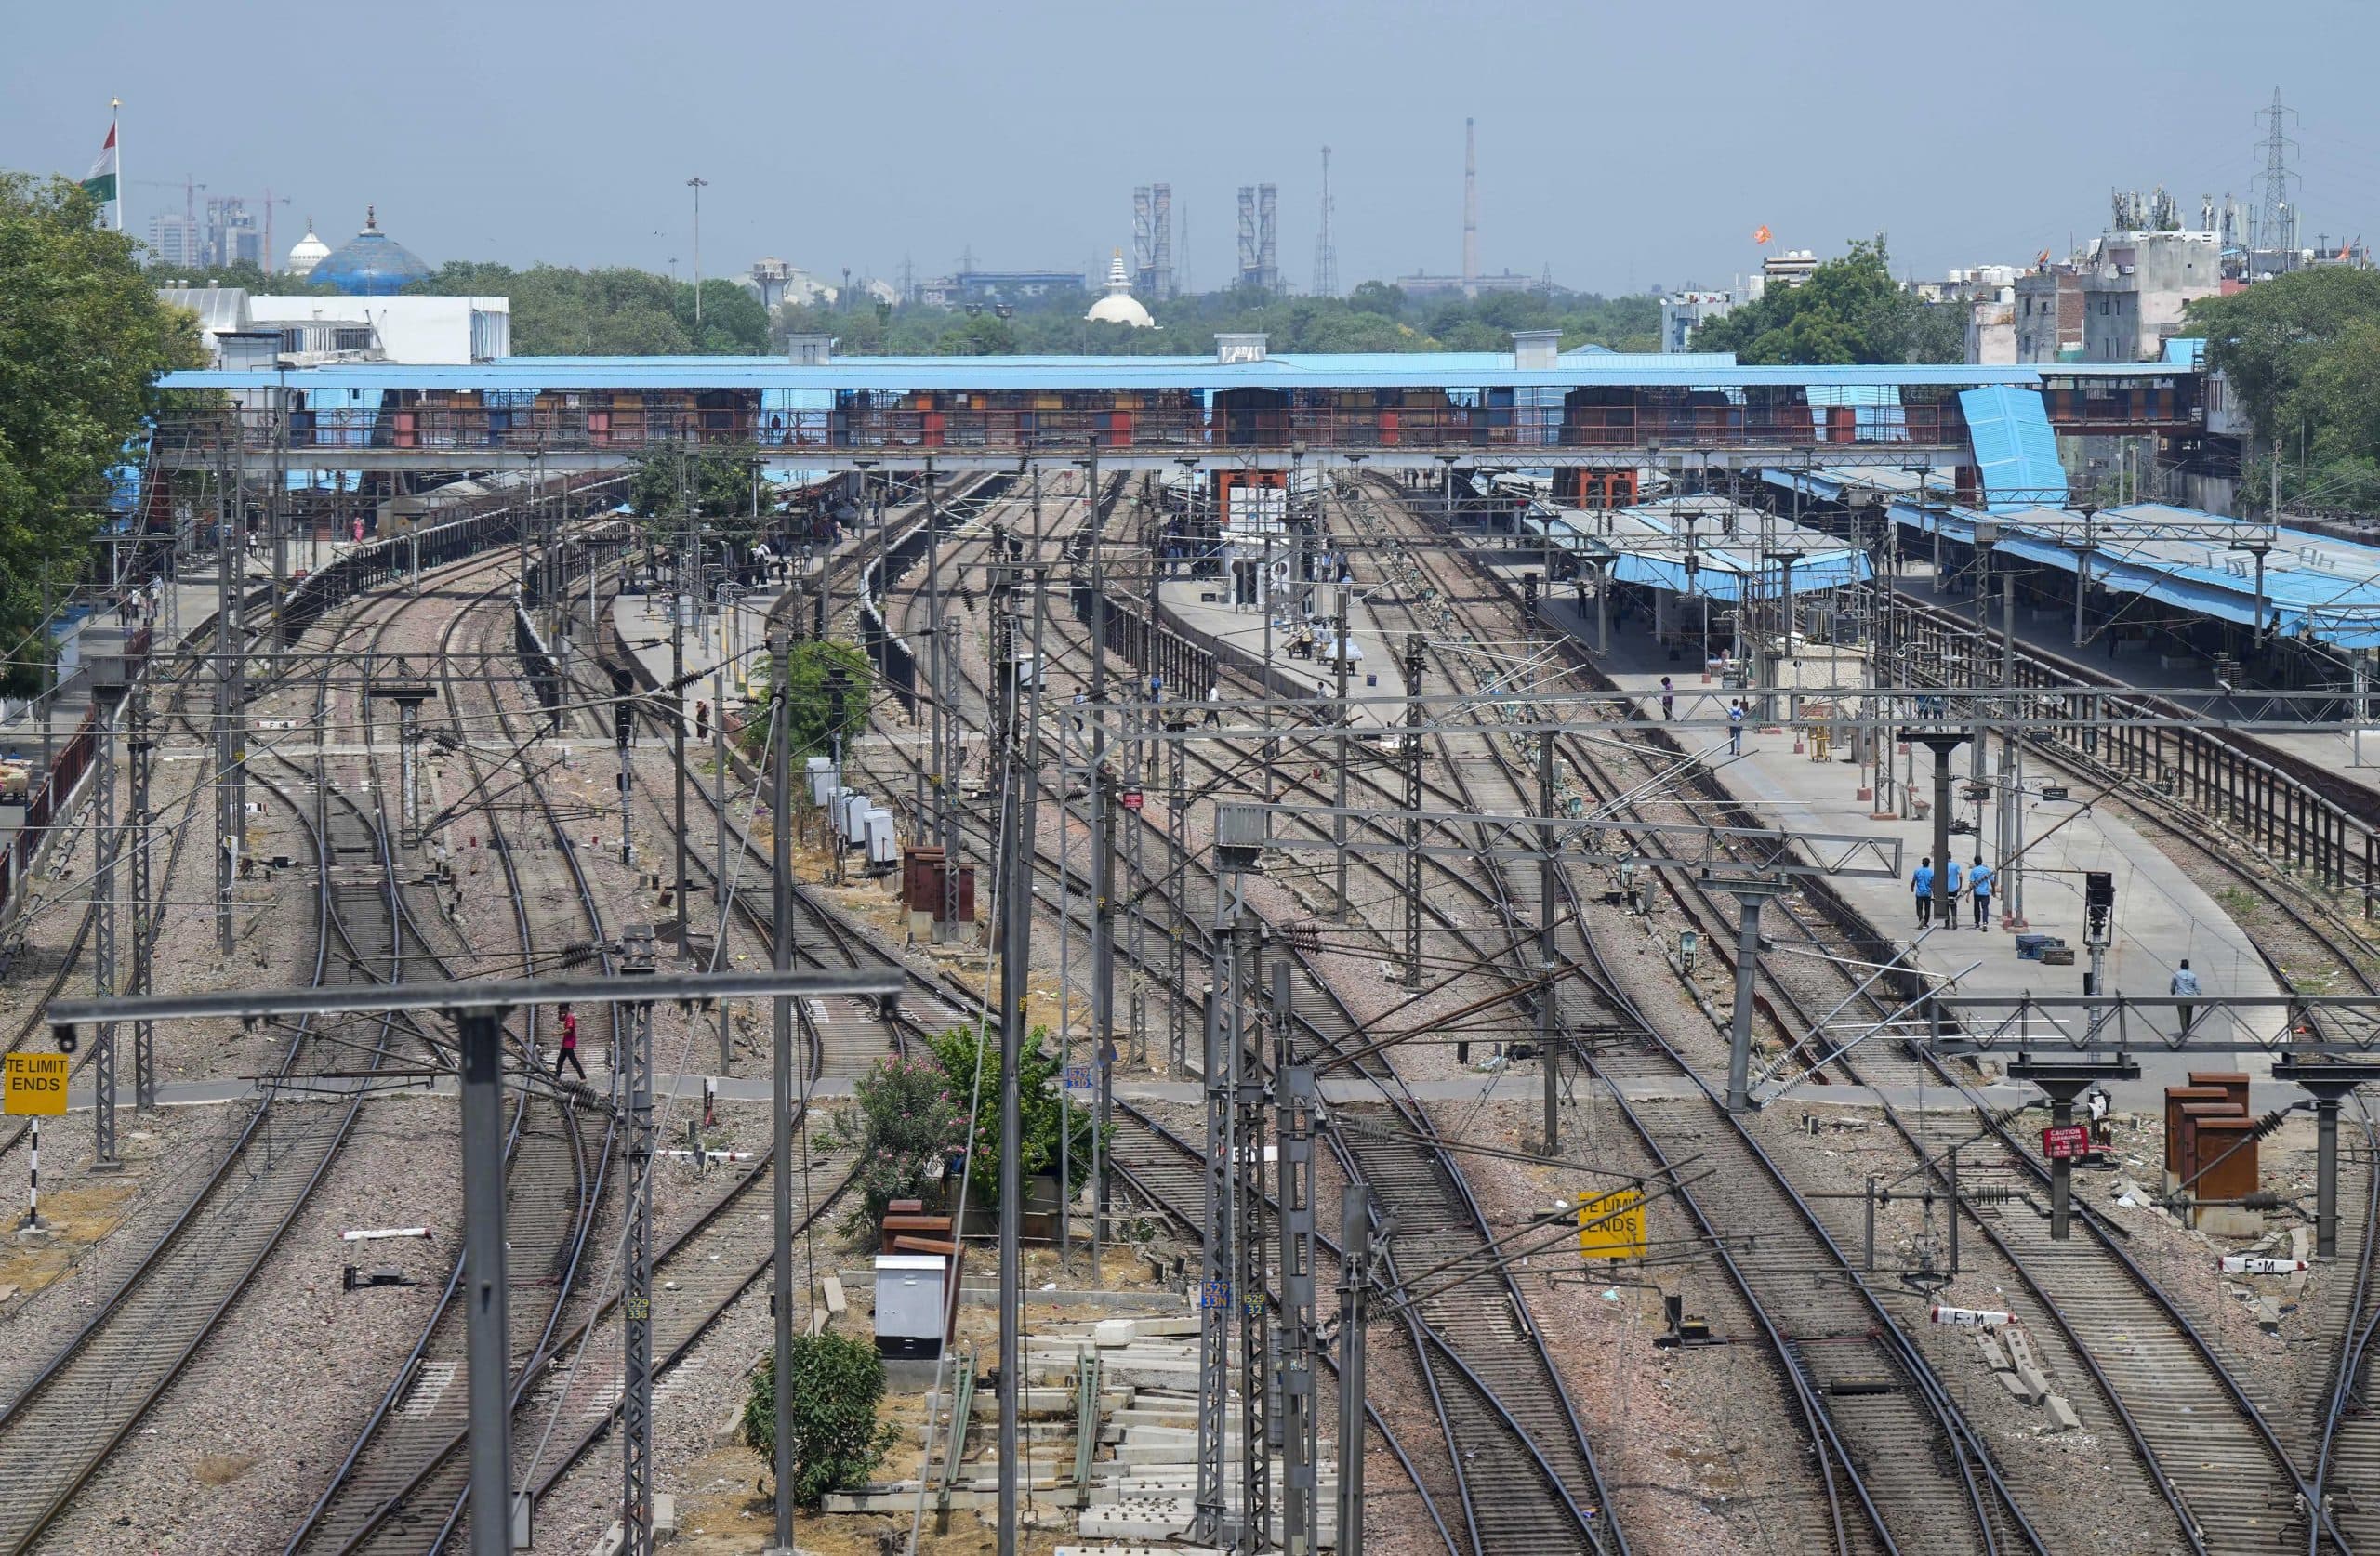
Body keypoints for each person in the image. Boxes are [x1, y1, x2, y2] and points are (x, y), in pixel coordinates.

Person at [2171, 958, 2202, 1037]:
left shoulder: (2176, 975)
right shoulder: (2193, 975)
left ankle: (2184, 1032)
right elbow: (2197, 988)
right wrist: (2201, 999)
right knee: (2189, 1015)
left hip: (2181, 999)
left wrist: (2173, 992)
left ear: (2181, 966)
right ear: (2188, 966)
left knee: (2182, 1017)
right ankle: (2187, 1030)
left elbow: (2172, 987)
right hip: (2191, 999)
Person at [553, 1004, 586, 1080]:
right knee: (560, 1061)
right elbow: (560, 1019)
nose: (560, 1011)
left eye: (561, 1009)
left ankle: (583, 1077)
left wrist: (557, 1034)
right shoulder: (567, 1017)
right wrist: (559, 1013)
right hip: (565, 1044)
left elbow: (569, 1030)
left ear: (565, 1009)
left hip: (569, 1043)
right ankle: (556, 1078)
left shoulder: (570, 1017)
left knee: (573, 1061)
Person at [1968, 855, 1994, 929]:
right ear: (1981, 861)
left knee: (1976, 908)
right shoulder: (1987, 870)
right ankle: (1985, 923)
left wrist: (1968, 895)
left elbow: (1971, 884)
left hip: (1977, 893)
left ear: (1975, 862)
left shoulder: (1973, 871)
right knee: (1985, 908)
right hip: (1985, 893)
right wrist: (1994, 890)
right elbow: (1992, 881)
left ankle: (1977, 923)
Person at [1912, 856, 1936, 929]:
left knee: (1919, 908)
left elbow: (1914, 880)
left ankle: (1921, 919)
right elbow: (1932, 884)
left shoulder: (1917, 871)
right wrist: (1934, 894)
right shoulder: (1931, 872)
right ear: (1928, 864)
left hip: (1919, 893)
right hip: (1927, 893)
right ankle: (1925, 922)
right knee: (1927, 908)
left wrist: (1912, 887)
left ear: (1922, 863)